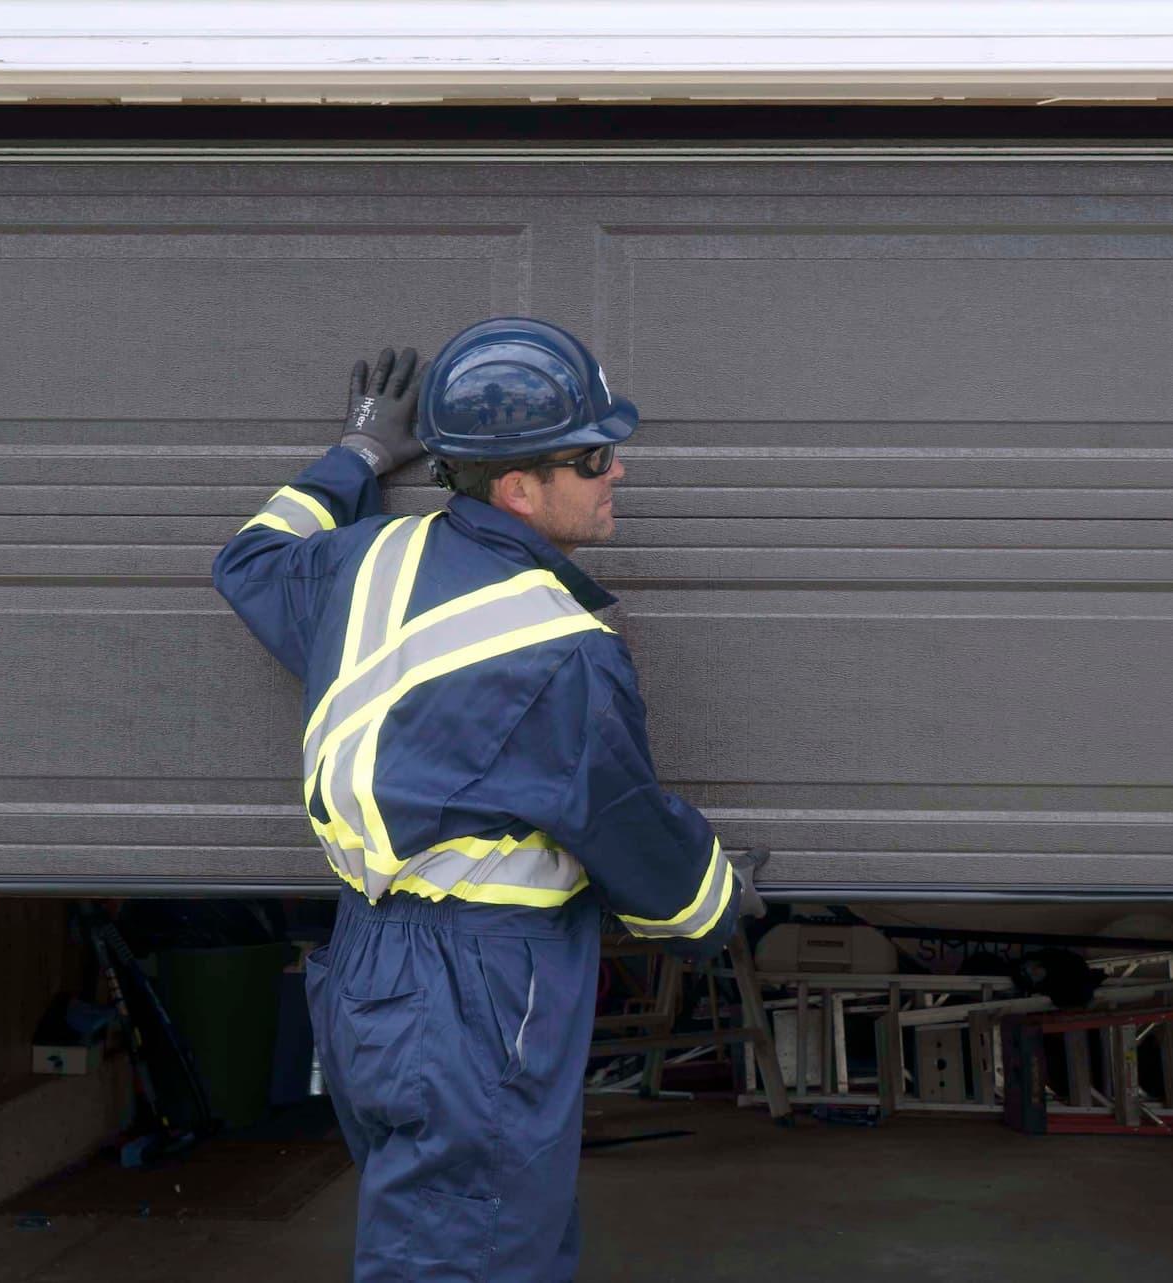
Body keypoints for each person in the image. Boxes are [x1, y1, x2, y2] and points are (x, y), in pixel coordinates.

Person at [213, 318, 764, 1281]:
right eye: (593, 457)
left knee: (478, 1240)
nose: (617, 471)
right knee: (469, 1258)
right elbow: (633, 835)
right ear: (517, 488)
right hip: (476, 996)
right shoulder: (561, 651)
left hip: (371, 971)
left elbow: (251, 559)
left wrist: (357, 455)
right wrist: (717, 898)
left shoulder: (363, 562)